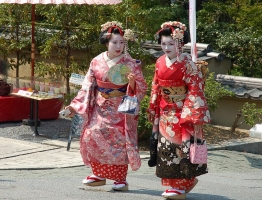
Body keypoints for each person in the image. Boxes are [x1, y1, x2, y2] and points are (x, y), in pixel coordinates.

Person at [65, 21, 147, 191]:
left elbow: (142, 86)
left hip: (121, 109)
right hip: (101, 107)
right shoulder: (96, 61)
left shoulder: (131, 63)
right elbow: (87, 85)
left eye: (122, 42)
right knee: (92, 134)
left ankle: (120, 178)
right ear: (106, 43)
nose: (119, 46)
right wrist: (74, 106)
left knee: (118, 140)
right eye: (114, 42)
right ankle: (98, 173)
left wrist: (132, 83)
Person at [147, 21, 211, 199]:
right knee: (165, 149)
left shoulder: (188, 64)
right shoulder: (160, 62)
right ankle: (172, 184)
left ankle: (183, 185)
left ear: (180, 44)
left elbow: (195, 89)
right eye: (163, 43)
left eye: (171, 44)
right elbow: (155, 86)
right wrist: (153, 107)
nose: (166, 47)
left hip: (183, 112)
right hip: (165, 111)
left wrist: (191, 113)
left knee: (182, 149)